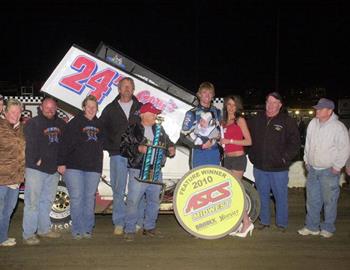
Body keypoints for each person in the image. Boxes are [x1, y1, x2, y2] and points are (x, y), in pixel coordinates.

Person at [120, 102, 175, 241]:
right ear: (143, 114)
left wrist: (171, 148)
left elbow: (168, 142)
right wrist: (137, 149)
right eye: (153, 113)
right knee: (133, 201)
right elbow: (123, 148)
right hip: (138, 170)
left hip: (155, 169)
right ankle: (130, 229)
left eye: (156, 113)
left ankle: (149, 227)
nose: (155, 116)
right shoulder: (133, 129)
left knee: (154, 201)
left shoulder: (159, 129)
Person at [248, 92, 300, 232]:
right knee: (262, 196)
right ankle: (264, 221)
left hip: (279, 169)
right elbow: (246, 136)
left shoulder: (287, 121)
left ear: (280, 105)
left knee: (280, 197)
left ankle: (281, 223)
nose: (270, 105)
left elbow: (295, 144)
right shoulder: (256, 119)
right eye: (268, 102)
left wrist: (284, 158)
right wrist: (252, 155)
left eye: (274, 102)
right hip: (259, 167)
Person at [298, 98, 350, 238]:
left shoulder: (338, 127)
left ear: (330, 111)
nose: (317, 111)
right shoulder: (313, 124)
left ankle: (328, 228)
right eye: (317, 108)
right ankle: (312, 226)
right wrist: (306, 160)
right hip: (313, 169)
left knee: (329, 201)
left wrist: (337, 167)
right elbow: (307, 143)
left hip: (329, 170)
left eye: (320, 109)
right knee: (312, 200)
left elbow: (345, 148)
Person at [100, 77, 142, 235]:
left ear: (133, 89)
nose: (127, 89)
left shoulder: (140, 107)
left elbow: (150, 126)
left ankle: (134, 221)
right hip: (117, 154)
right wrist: (109, 146)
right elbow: (101, 129)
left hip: (137, 155)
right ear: (119, 89)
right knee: (118, 189)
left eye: (130, 86)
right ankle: (118, 222)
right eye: (124, 86)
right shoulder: (110, 108)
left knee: (136, 190)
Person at [58, 95, 103, 240]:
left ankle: (88, 228)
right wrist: (61, 162)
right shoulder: (74, 123)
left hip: (93, 168)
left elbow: (105, 145)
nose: (91, 109)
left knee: (89, 198)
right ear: (83, 107)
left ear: (97, 109)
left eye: (94, 107)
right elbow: (63, 143)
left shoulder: (100, 125)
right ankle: (77, 229)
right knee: (76, 198)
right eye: (88, 106)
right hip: (73, 167)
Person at [22, 97, 66, 245]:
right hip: (36, 169)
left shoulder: (60, 124)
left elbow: (62, 147)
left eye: (53, 108)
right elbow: (29, 144)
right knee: (32, 203)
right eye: (47, 107)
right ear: (41, 107)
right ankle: (28, 234)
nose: (50, 110)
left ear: (56, 109)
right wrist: (36, 159)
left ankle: (44, 229)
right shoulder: (33, 123)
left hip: (53, 170)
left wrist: (61, 163)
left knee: (46, 201)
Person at [220, 95, 253, 237]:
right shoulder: (223, 122)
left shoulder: (240, 120)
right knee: (230, 194)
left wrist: (230, 140)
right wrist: (221, 142)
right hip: (227, 159)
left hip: (239, 158)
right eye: (229, 104)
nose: (231, 107)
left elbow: (248, 141)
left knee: (236, 192)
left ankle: (246, 222)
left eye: (234, 105)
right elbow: (223, 142)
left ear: (237, 106)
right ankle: (240, 223)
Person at [0, 99, 25, 247]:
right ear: (5, 111)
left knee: (8, 210)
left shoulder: (20, 128)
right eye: (12, 111)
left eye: (18, 112)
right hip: (2, 177)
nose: (15, 115)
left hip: (15, 178)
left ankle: (2, 237)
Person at [180, 82, 221, 168]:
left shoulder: (217, 112)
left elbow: (219, 132)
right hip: (198, 154)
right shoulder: (192, 113)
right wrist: (200, 146)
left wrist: (218, 137)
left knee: (215, 181)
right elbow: (183, 136)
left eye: (210, 93)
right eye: (204, 92)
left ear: (213, 95)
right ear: (199, 95)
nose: (207, 95)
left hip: (214, 153)